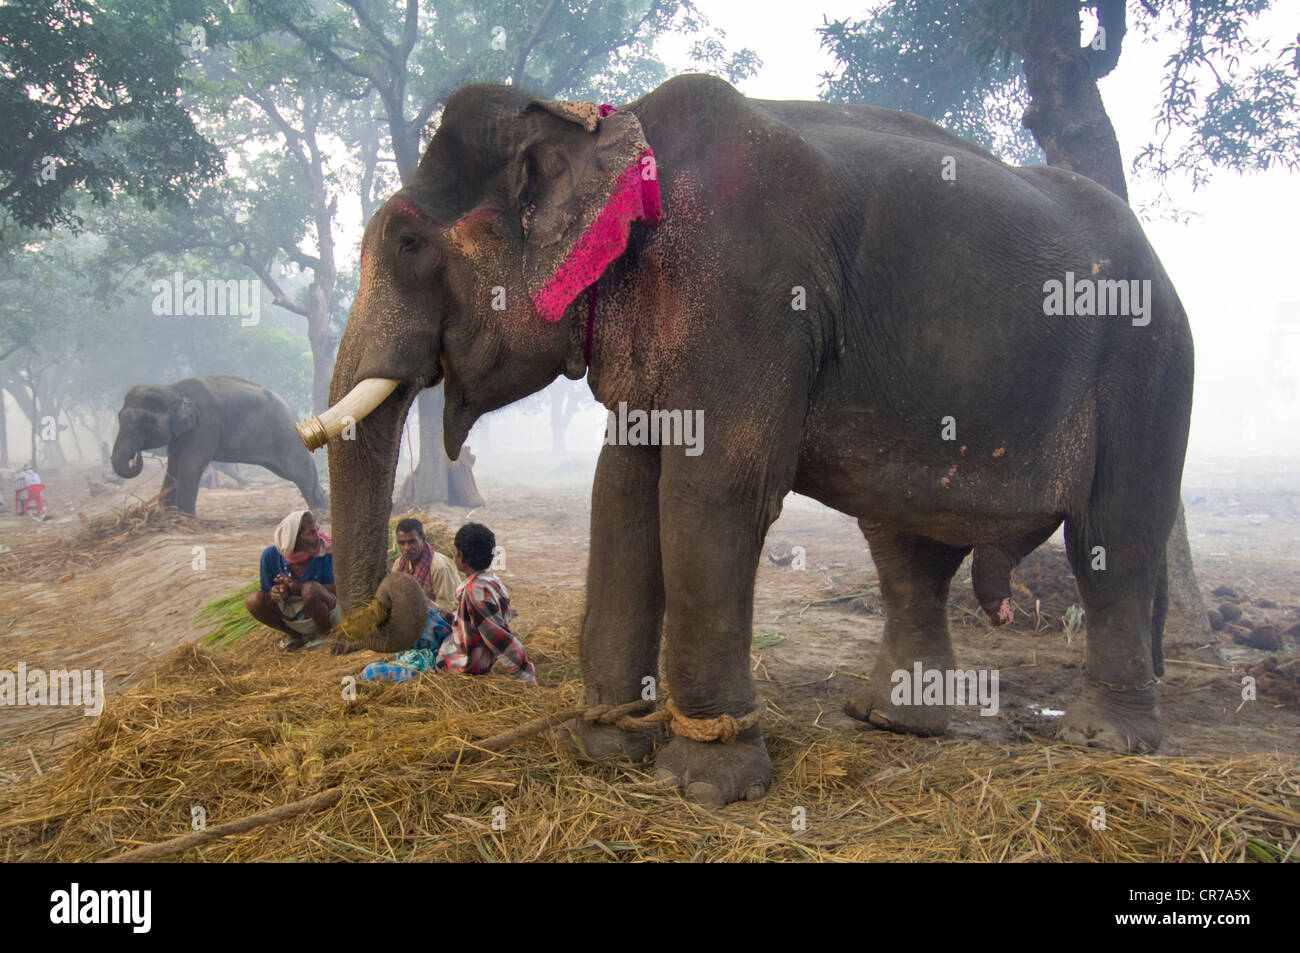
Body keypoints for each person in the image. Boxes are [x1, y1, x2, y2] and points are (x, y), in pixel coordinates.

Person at [359, 522, 534, 684]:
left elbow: (501, 639)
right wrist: (423, 603)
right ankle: (411, 657)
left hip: (460, 664)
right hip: (459, 642)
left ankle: (419, 666)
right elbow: (465, 621)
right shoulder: (491, 580)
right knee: (417, 615)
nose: (406, 547)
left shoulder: (475, 592)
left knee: (370, 672)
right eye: (402, 543)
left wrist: (526, 675)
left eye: (456, 552)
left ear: (461, 557)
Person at [245, 510, 340, 650]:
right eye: (311, 533)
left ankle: (323, 632)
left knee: (310, 589)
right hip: (293, 614)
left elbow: (337, 588)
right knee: (253, 600)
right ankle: (293, 634)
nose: (318, 537)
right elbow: (266, 593)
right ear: (294, 538)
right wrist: (278, 592)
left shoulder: (325, 552)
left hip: (324, 612)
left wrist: (299, 586)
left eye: (317, 531)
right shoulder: (271, 555)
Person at [391, 517, 461, 607]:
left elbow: (447, 607)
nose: (406, 548)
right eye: (402, 543)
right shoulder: (399, 565)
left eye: (412, 542)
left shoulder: (439, 567)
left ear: (423, 539)